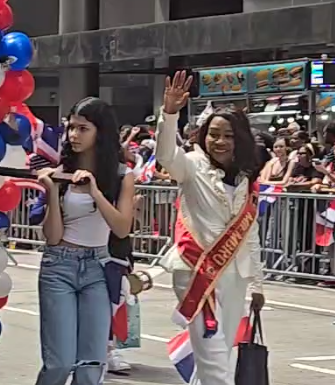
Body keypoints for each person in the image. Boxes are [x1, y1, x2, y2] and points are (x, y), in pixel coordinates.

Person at [156, 70, 265, 385]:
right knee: (216, 366)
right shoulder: (191, 165)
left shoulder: (246, 179)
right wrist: (170, 112)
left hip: (235, 278)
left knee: (217, 358)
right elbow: (165, 154)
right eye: (214, 134)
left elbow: (250, 235)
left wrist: (257, 284)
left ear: (239, 139)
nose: (219, 141)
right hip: (196, 274)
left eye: (228, 135)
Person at [32, 97, 137, 385]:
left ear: (100, 132)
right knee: (59, 363)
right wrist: (52, 191)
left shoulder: (121, 175)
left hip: (99, 268)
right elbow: (52, 237)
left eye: (83, 128)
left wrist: (95, 192)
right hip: (59, 266)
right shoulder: (61, 171)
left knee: (91, 366)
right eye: (71, 128)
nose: (73, 135)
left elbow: (122, 227)